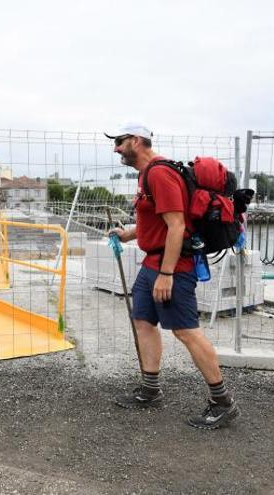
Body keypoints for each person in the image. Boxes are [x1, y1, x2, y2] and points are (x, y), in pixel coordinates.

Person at [105, 122, 239, 429]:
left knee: (185, 331)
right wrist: (127, 235)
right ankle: (150, 390)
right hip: (153, 263)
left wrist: (166, 273)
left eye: (120, 141)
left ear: (137, 141)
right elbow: (159, 221)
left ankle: (223, 402)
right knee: (142, 320)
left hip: (172, 266)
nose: (116, 148)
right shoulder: (146, 175)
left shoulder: (159, 173)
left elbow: (177, 225)